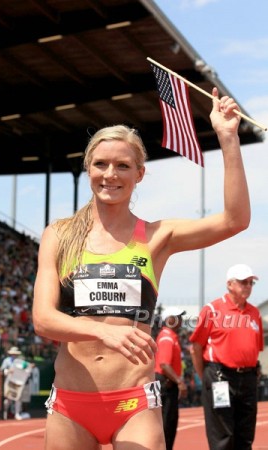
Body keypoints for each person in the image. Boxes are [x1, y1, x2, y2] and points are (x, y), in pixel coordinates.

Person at [33, 88, 251, 450]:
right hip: (71, 403)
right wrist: (104, 333)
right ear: (88, 169)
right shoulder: (59, 235)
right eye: (100, 164)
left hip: (133, 401)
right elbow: (43, 319)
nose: (110, 174)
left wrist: (228, 139)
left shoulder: (158, 236)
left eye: (122, 166)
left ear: (140, 174)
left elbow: (235, 220)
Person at [190, 264, 264, 450]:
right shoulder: (212, 310)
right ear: (230, 284)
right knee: (223, 436)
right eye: (243, 282)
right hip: (220, 376)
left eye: (250, 283)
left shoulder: (254, 313)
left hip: (247, 378)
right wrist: (206, 377)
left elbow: (256, 348)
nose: (248, 286)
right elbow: (195, 348)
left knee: (245, 435)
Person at [155, 307, 188, 450]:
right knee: (167, 424)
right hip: (166, 386)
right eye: (178, 317)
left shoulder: (170, 336)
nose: (181, 320)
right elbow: (164, 364)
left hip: (167, 385)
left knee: (169, 423)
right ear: (169, 319)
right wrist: (180, 382)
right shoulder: (167, 338)